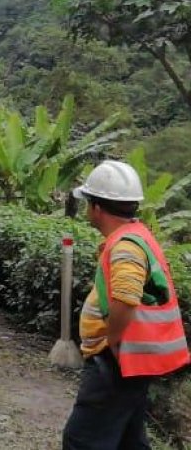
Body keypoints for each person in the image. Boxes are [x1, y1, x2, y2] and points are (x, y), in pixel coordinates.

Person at [62, 161, 190, 450]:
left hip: (116, 360)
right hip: (131, 361)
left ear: (96, 208)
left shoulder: (125, 246)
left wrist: (113, 338)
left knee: (81, 440)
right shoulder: (137, 235)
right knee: (129, 441)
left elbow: (126, 297)